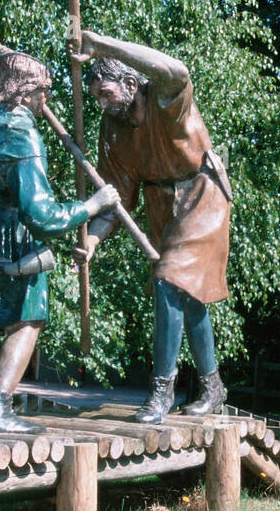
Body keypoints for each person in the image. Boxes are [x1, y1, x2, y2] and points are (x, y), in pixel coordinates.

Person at [0, 49, 119, 433]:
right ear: (22, 92)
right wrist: (94, 204)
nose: (47, 99)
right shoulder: (21, 134)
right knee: (28, 318)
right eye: (43, 90)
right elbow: (44, 217)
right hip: (4, 232)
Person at [70, 30, 232, 424]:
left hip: (201, 195)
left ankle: (162, 389)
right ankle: (213, 387)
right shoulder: (112, 130)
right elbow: (117, 202)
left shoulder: (165, 100)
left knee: (168, 280)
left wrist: (102, 45)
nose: (102, 104)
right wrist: (91, 240)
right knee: (186, 294)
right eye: (96, 98)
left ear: (130, 83)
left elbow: (176, 69)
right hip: (160, 207)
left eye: (106, 93)